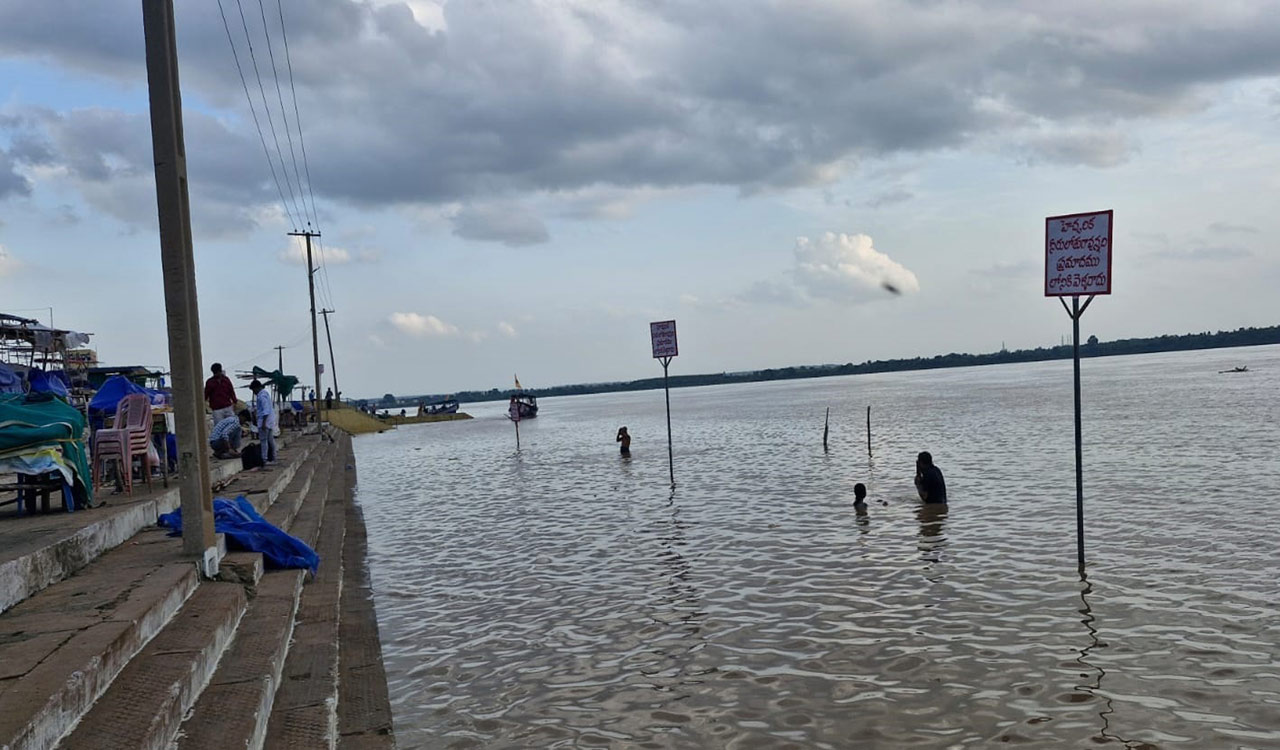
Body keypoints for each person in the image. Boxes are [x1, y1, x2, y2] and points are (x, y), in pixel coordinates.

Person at [250, 379, 277, 467]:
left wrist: (264, 423)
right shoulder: (266, 394)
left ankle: (264, 459)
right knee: (270, 440)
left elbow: (265, 411)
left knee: (264, 441)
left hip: (264, 421)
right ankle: (273, 457)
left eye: (253, 390)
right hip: (269, 421)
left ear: (256, 388)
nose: (254, 392)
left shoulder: (261, 396)